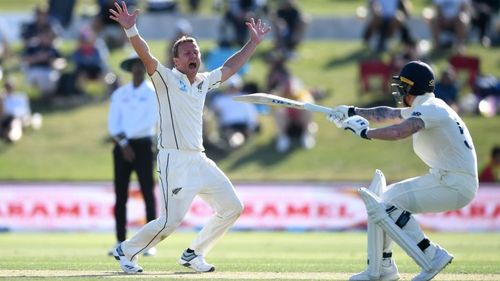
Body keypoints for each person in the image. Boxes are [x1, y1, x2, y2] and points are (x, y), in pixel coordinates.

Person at [108, 1, 270, 273]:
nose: (193, 54)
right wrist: (131, 29)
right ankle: (127, 251)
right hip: (174, 160)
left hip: (199, 159)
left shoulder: (204, 81)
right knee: (170, 221)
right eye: (187, 52)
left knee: (232, 207)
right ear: (177, 61)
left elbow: (230, 68)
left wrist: (252, 43)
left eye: (195, 51)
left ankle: (193, 254)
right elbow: (146, 56)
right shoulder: (166, 79)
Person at [328, 61, 478, 281]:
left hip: (454, 184)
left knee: (387, 205)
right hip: (449, 180)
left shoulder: (430, 109)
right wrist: (352, 111)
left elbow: (400, 131)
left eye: (402, 87)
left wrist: (366, 133)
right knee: (383, 201)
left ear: (411, 88)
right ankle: (384, 268)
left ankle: (431, 254)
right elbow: (387, 113)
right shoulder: (428, 106)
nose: (399, 91)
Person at [107, 52, 158, 257]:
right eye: (134, 65)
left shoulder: (153, 93)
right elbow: (113, 122)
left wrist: (129, 141)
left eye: (141, 64)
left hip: (143, 145)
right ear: (129, 69)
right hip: (121, 146)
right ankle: (120, 241)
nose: (138, 68)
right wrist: (123, 142)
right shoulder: (120, 94)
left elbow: (150, 121)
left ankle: (149, 243)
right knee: (120, 195)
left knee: (148, 192)